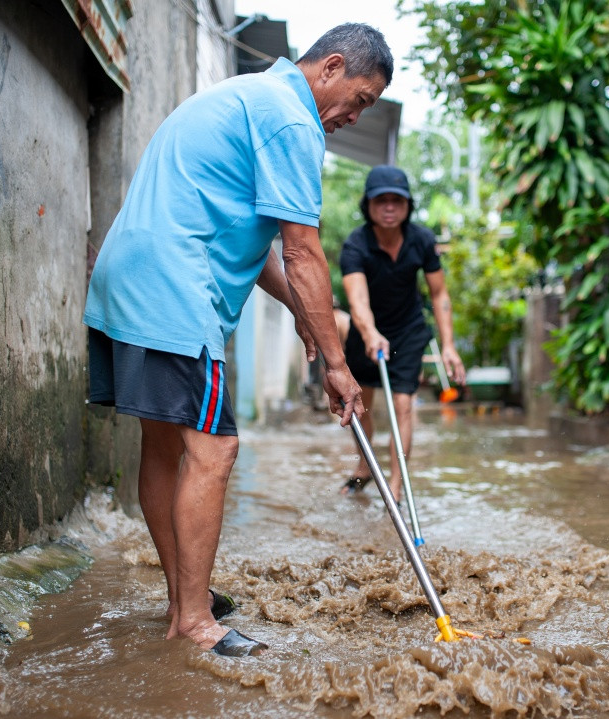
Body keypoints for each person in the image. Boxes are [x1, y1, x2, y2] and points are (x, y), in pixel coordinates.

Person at [82, 24, 392, 657]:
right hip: (175, 286)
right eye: (358, 100)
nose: (352, 117)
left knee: (166, 446)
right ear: (330, 67)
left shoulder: (251, 96)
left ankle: (181, 602)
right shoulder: (292, 120)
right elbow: (302, 250)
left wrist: (305, 316)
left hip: (128, 274)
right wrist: (338, 364)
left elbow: (259, 249)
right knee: (216, 449)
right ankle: (194, 622)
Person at [339, 165, 465, 502]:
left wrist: (449, 346)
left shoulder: (422, 240)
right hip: (367, 331)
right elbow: (358, 300)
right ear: (369, 205)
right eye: (382, 200)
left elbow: (439, 295)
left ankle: (395, 486)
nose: (390, 207)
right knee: (360, 406)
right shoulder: (356, 245)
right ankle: (364, 465)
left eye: (398, 200)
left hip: (408, 332)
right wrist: (369, 333)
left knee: (403, 406)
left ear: (408, 205)